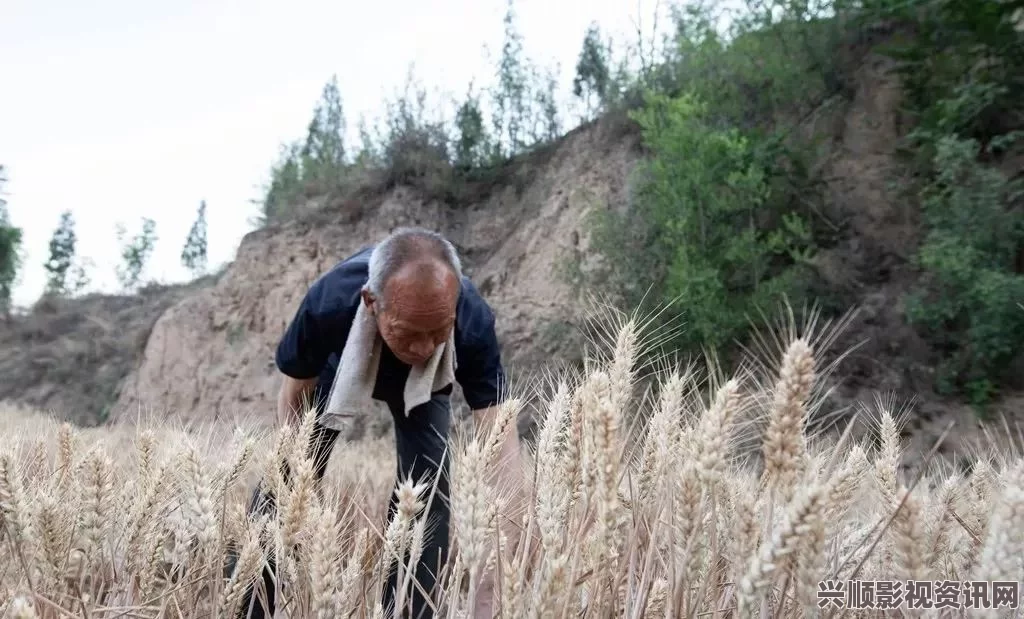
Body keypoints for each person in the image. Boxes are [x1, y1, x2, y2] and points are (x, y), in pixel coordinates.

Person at [228, 227, 521, 619]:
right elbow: (294, 398)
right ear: (371, 302)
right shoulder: (329, 303)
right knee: (285, 478)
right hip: (341, 365)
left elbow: (501, 446)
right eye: (409, 332)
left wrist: (494, 583)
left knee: (429, 490)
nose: (421, 347)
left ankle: (407, 609)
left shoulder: (471, 320)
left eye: (438, 330)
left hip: (428, 384)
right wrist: (295, 487)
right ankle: (248, 605)